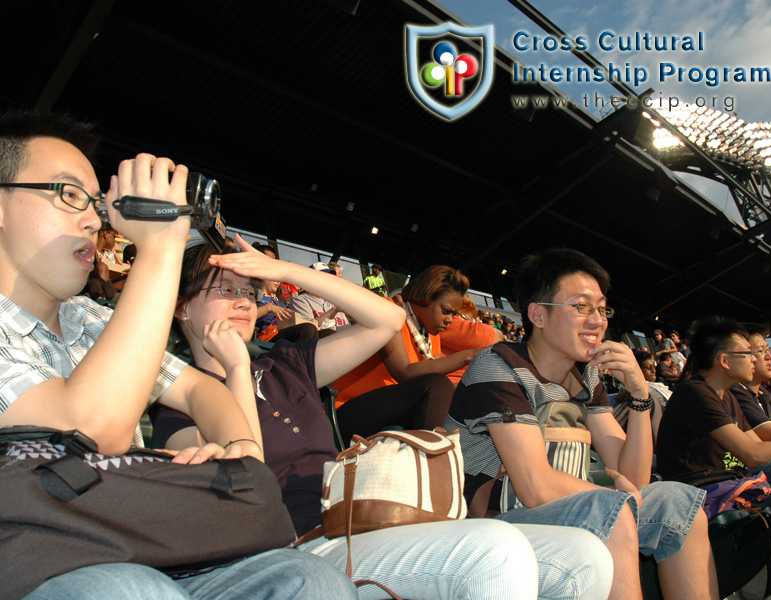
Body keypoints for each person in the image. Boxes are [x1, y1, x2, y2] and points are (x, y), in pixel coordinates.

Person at [0, 109, 358, 599]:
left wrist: (240, 447)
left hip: (114, 538)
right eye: (68, 195)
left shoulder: (92, 319)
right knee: (130, 590)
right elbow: (90, 428)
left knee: (309, 580)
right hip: (34, 559)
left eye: (94, 202)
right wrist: (163, 248)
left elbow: (200, 389)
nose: (92, 220)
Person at [149, 236, 615, 600]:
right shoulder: (174, 401)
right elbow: (245, 478)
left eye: (249, 291)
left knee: (584, 555)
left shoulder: (284, 365)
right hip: (297, 544)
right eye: (224, 290)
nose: (243, 301)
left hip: (362, 519)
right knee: (496, 548)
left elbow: (385, 321)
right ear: (180, 306)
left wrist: (286, 270)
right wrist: (233, 367)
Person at [447, 248, 718, 600]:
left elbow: (633, 476)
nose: (598, 320)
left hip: (567, 512)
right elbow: (535, 486)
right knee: (614, 508)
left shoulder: (586, 376)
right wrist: (620, 499)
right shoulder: (498, 365)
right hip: (493, 525)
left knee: (679, 503)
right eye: (581, 307)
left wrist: (639, 396)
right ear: (538, 315)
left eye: (602, 308)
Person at [656, 316, 771, 569]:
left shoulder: (727, 396)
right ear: (724, 360)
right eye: (747, 353)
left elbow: (760, 450)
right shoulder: (695, 392)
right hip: (701, 492)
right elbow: (752, 454)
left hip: (735, 483)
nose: (755, 358)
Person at [333, 265, 486, 441]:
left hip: (388, 411)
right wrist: (470, 355)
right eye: (446, 311)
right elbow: (404, 372)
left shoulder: (430, 336)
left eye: (454, 314)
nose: (450, 320)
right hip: (344, 411)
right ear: (427, 297)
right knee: (437, 385)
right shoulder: (389, 312)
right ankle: (436, 460)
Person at [613, 349, 671, 447]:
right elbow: (617, 399)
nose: (653, 371)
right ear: (637, 370)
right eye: (649, 368)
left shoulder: (660, 387)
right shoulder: (636, 392)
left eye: (654, 366)